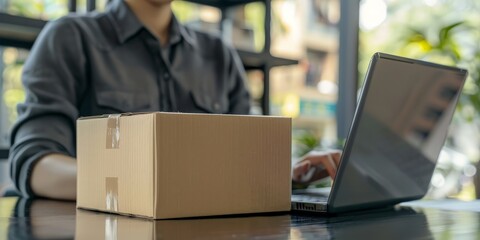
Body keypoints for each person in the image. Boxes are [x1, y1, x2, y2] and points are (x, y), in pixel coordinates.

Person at [8, 0, 340, 200]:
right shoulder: (70, 38)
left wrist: (291, 173)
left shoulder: (218, 55)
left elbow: (248, 160)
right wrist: (140, 185)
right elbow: (34, 164)